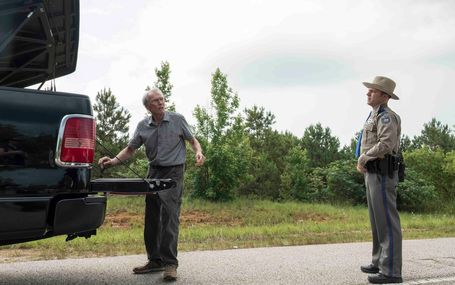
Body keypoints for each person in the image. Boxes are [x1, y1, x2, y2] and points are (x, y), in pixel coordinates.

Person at [98, 88, 205, 282]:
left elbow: (193, 140)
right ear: (148, 107)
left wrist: (198, 152)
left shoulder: (177, 119)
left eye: (162, 99)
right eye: (156, 101)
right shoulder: (142, 126)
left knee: (170, 217)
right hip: (153, 172)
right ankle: (155, 260)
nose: (161, 102)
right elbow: (130, 149)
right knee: (152, 217)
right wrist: (113, 161)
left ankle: (170, 263)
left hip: (174, 172)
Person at [356, 76, 403, 284]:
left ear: (384, 96)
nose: (368, 93)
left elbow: (386, 143)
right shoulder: (373, 115)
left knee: (387, 222)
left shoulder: (386, 117)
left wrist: (364, 157)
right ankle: (379, 262)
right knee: (377, 222)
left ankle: (391, 271)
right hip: (373, 173)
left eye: (373, 91)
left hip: (383, 174)